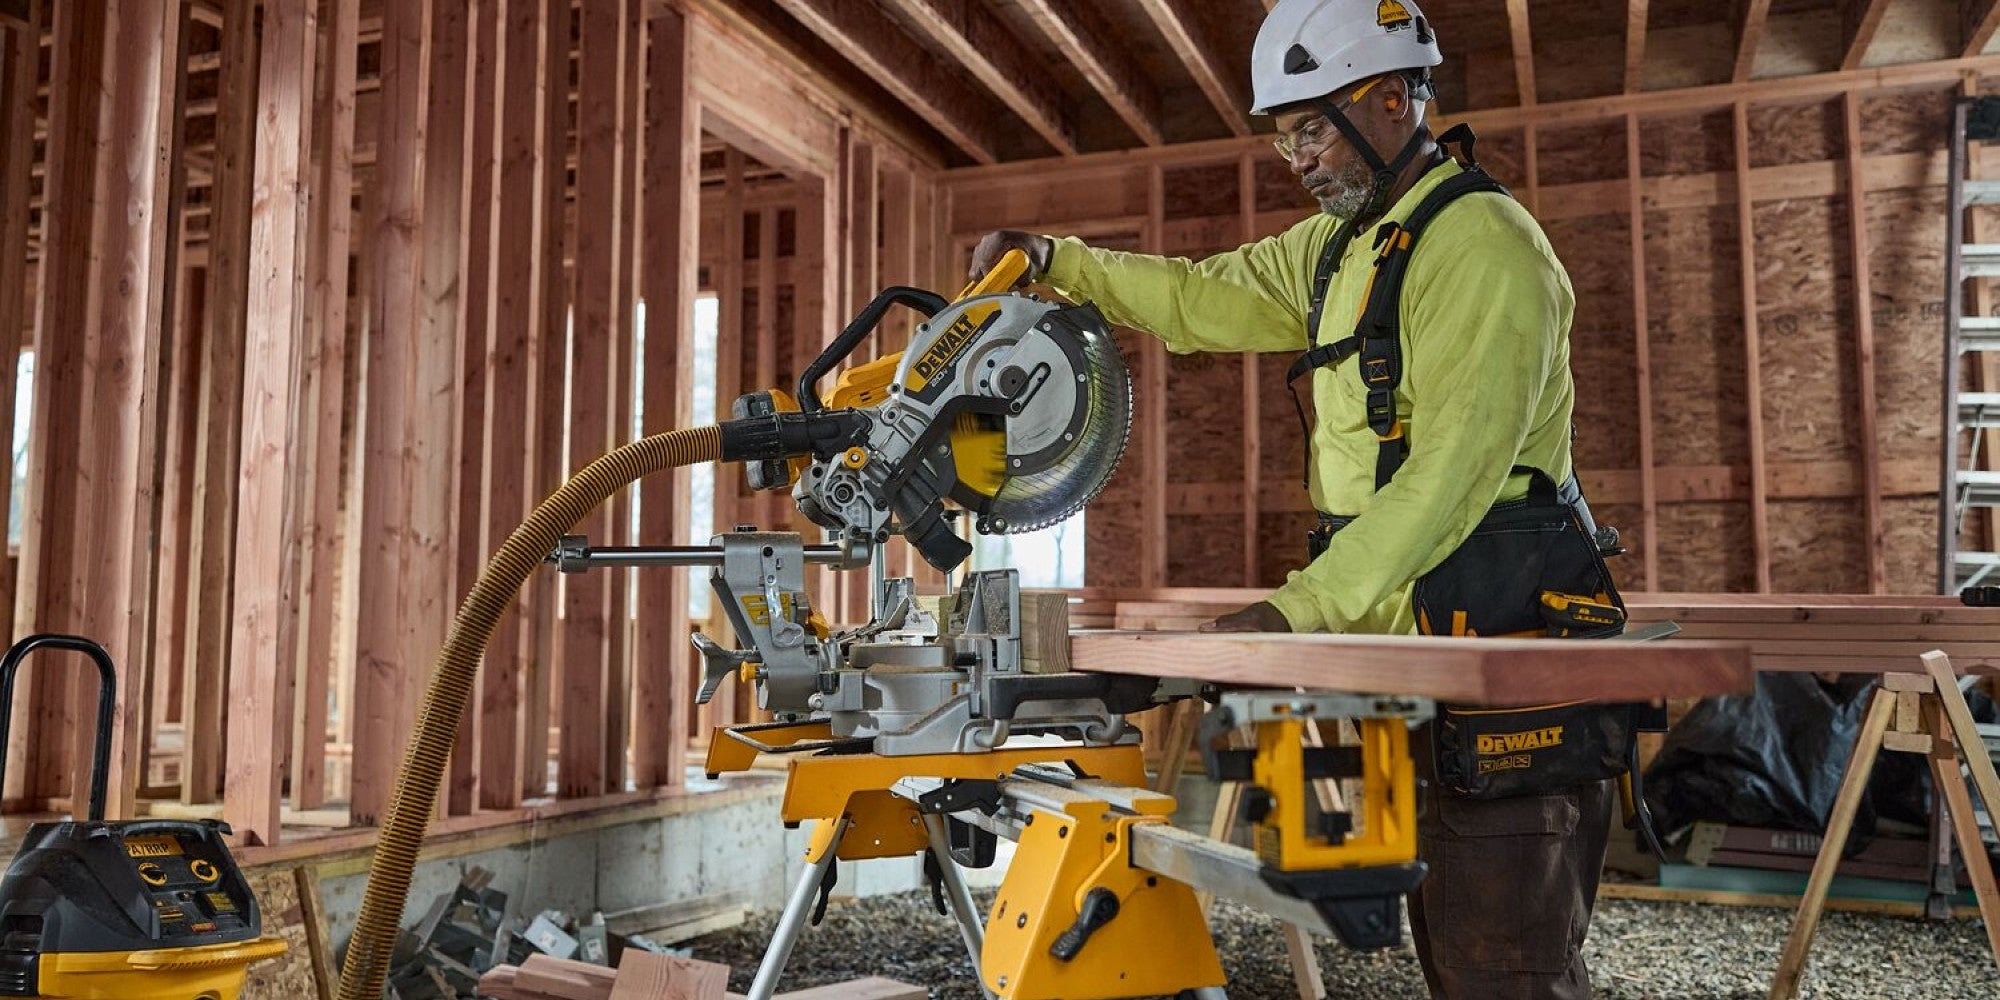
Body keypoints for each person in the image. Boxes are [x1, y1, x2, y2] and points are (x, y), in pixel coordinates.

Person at [967, 1, 1631, 997]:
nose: (1300, 159)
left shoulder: (1485, 250)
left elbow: (1448, 480)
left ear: (1395, 98)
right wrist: (1062, 263)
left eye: (1313, 128)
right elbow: (1197, 298)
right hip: (1389, 642)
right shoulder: (1342, 247)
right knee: (1418, 934)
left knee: (1503, 963)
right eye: (1286, 140)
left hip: (1499, 648)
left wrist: (1294, 611)